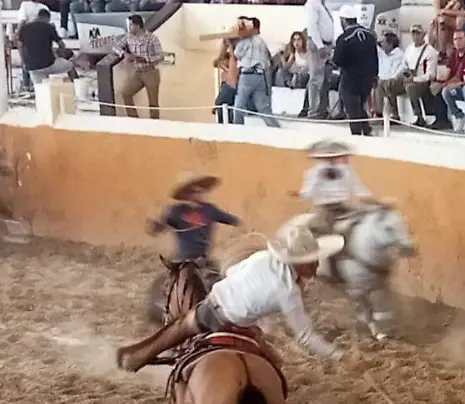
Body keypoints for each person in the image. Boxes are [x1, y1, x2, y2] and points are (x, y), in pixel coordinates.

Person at [115, 225, 345, 374]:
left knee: (179, 326)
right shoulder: (289, 292)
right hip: (240, 325)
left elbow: (233, 272)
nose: (316, 266)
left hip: (212, 310)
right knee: (274, 362)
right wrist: (336, 355)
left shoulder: (262, 257)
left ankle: (138, 356)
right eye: (312, 261)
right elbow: (304, 336)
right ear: (299, 263)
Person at [151, 173, 242, 267]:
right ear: (186, 194)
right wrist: (156, 226)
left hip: (204, 260)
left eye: (200, 191)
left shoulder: (209, 209)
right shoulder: (176, 211)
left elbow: (233, 220)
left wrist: (240, 227)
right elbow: (160, 226)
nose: (198, 194)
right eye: (193, 191)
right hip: (183, 261)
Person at [297, 139, 371, 235]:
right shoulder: (316, 171)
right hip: (327, 209)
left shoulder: (345, 170)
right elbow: (358, 189)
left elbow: (358, 188)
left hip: (342, 207)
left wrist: (302, 195)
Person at [332, 3, 378, 135]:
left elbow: (337, 60)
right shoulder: (370, 35)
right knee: (360, 106)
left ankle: (357, 136)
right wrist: (375, 76)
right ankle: (367, 130)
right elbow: (375, 57)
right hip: (367, 79)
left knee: (352, 110)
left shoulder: (344, 38)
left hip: (351, 79)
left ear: (344, 20)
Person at [113, 14, 163, 119]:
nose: (129, 28)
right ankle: (134, 119)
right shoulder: (128, 37)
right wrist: (125, 54)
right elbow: (115, 47)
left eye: (131, 25)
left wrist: (145, 59)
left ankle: (155, 125)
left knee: (153, 102)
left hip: (150, 72)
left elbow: (160, 56)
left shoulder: (152, 38)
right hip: (138, 72)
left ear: (138, 26)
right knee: (125, 93)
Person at [18, 9, 75, 85]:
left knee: (41, 89)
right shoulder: (49, 26)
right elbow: (62, 44)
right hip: (48, 64)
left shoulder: (24, 28)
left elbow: (19, 45)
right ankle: (77, 86)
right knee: (70, 66)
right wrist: (58, 53)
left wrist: (23, 61)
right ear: (47, 18)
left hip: (32, 66)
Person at [304, 0, 336, 120]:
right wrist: (320, 45)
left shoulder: (326, 4)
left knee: (326, 79)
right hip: (318, 44)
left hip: (327, 44)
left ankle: (323, 109)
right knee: (316, 78)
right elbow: (312, 26)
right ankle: (313, 110)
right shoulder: (312, 4)